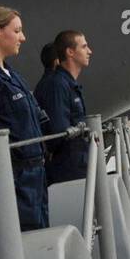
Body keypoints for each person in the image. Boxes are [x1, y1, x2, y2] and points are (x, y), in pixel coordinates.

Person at [0, 5, 49, 229]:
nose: (23, 37)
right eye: (17, 31)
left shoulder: (13, 76)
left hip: (35, 176)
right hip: (16, 180)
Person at [34, 30, 91, 183]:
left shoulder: (66, 84)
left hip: (78, 165)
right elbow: (58, 133)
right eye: (84, 47)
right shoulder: (57, 85)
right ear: (70, 52)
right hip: (69, 171)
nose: (89, 51)